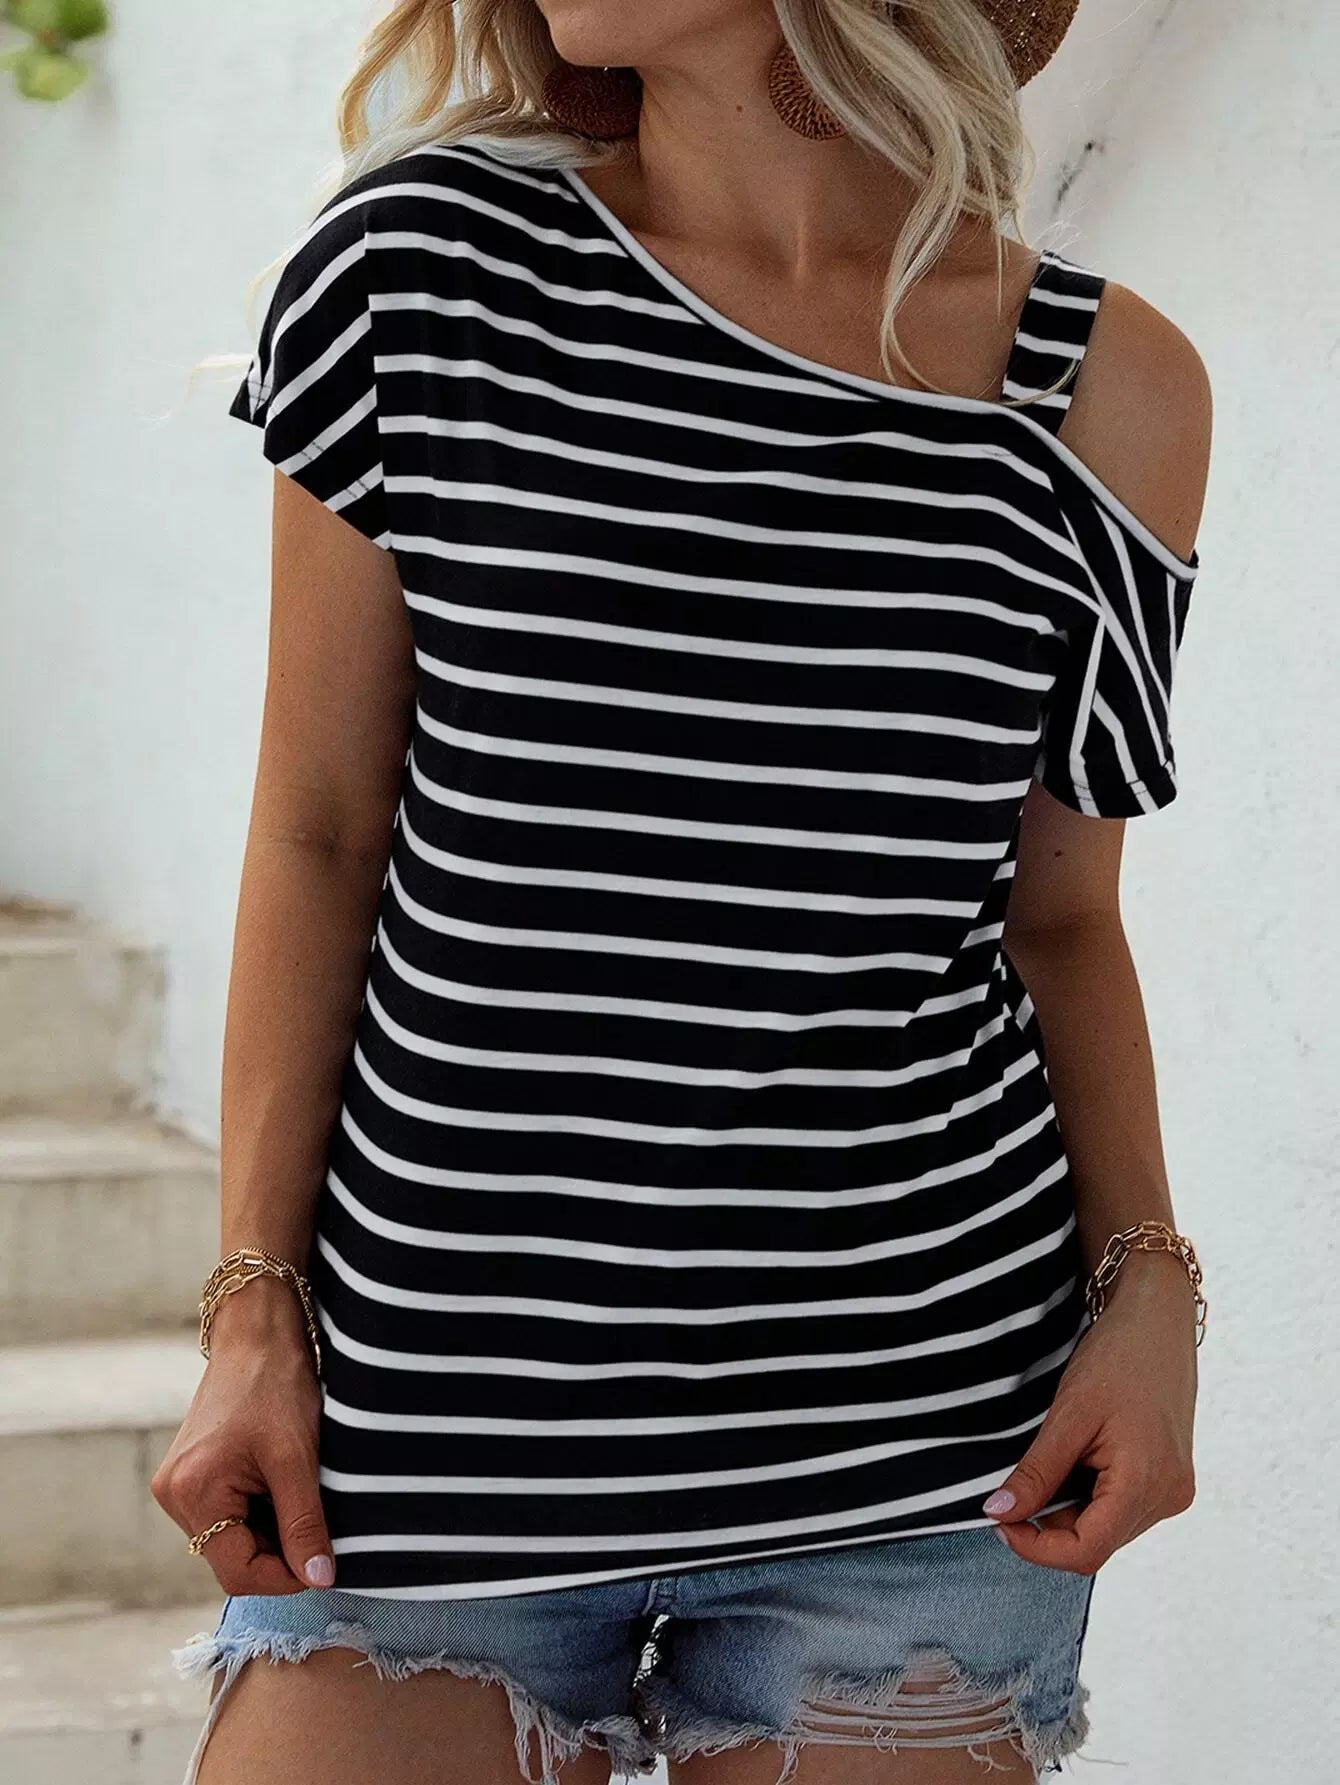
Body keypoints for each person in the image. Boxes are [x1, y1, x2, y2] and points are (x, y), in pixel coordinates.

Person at [154, 2, 1213, 1781]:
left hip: (918, 1450)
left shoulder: (1102, 386)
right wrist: (251, 1306)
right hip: (424, 1432)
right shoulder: (423, 274)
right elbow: (320, 832)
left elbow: (1059, 918)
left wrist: (1152, 1289)